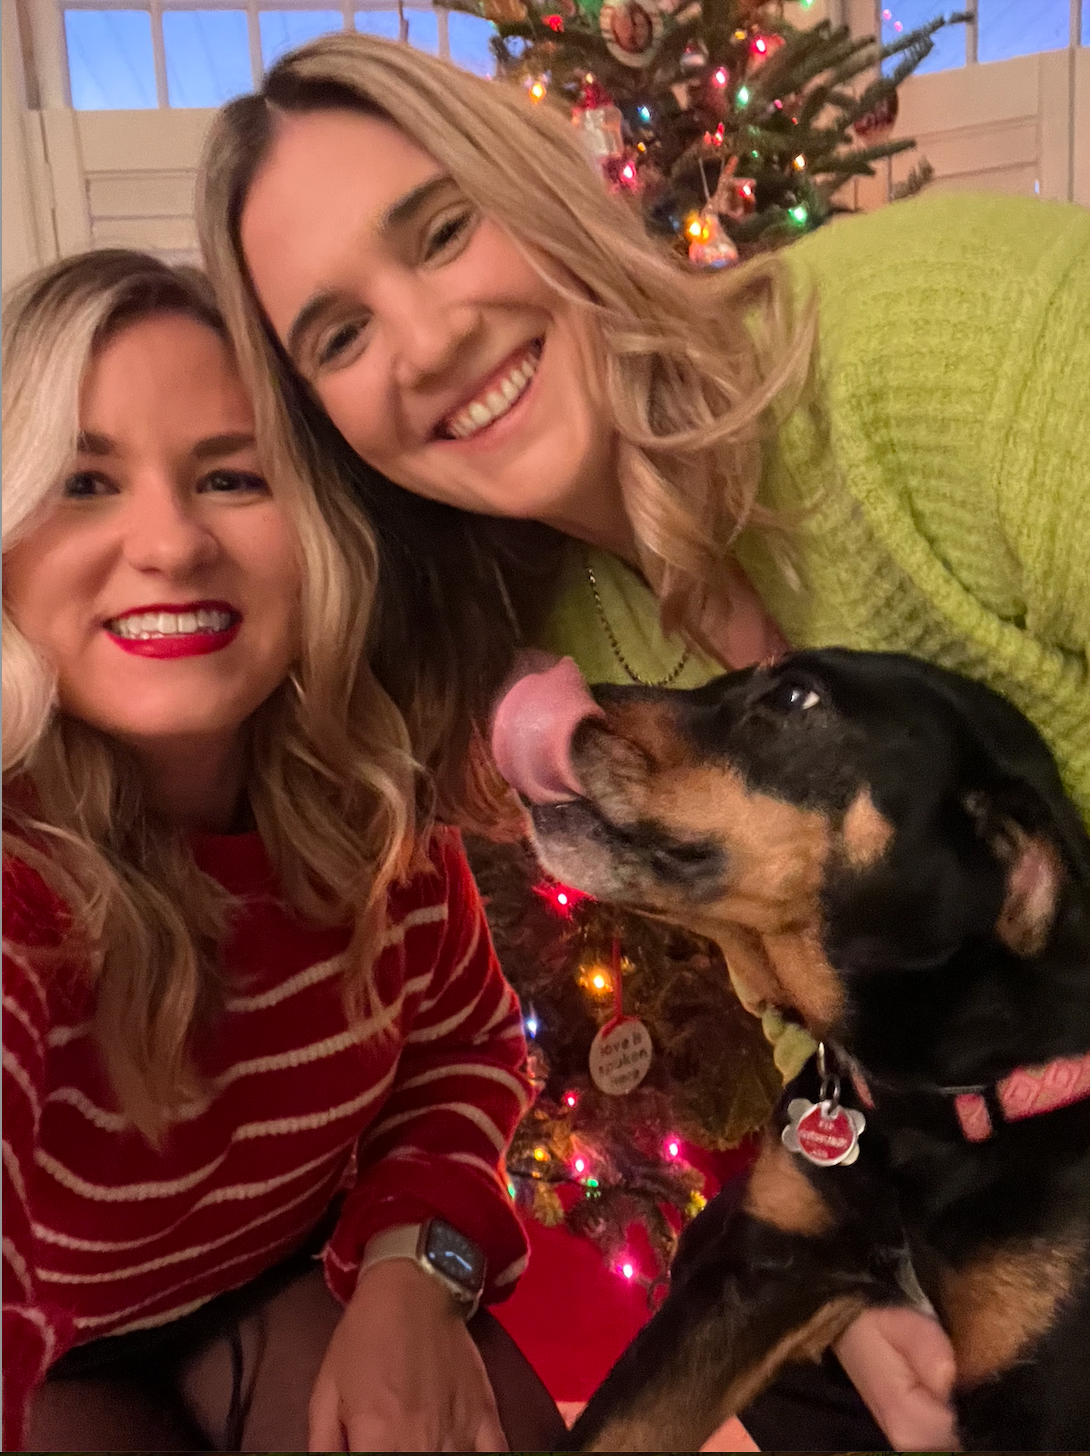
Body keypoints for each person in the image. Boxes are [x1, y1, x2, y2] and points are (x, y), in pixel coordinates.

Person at [195, 32, 1090, 1450]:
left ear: (542, 190)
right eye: (340, 336)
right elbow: (782, 950)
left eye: (439, 231)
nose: (426, 346)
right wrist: (854, 1298)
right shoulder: (579, 618)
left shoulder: (948, 346)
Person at [1, 250, 567, 1454]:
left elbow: (463, 1047)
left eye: (232, 475)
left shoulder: (366, 797)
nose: (170, 544)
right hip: (56, 1359)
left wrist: (418, 1265)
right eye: (84, 479)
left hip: (278, 1277)